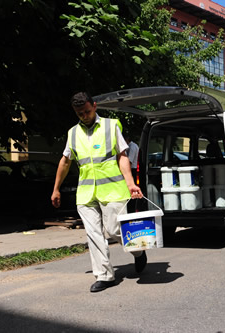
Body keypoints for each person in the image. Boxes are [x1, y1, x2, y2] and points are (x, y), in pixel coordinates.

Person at [51, 92, 144, 292]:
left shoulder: (111, 126)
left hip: (113, 189)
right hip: (86, 192)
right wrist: (56, 188)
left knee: (114, 230)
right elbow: (65, 161)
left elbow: (122, 155)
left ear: (94, 106)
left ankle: (138, 252)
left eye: (86, 111)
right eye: (79, 113)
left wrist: (130, 183)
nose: (84, 116)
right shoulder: (73, 133)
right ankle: (104, 275)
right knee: (93, 234)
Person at [125, 137, 139, 212]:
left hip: (131, 170)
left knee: (131, 192)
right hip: (131, 170)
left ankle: (131, 210)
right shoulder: (132, 146)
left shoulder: (132, 147)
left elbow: (129, 162)